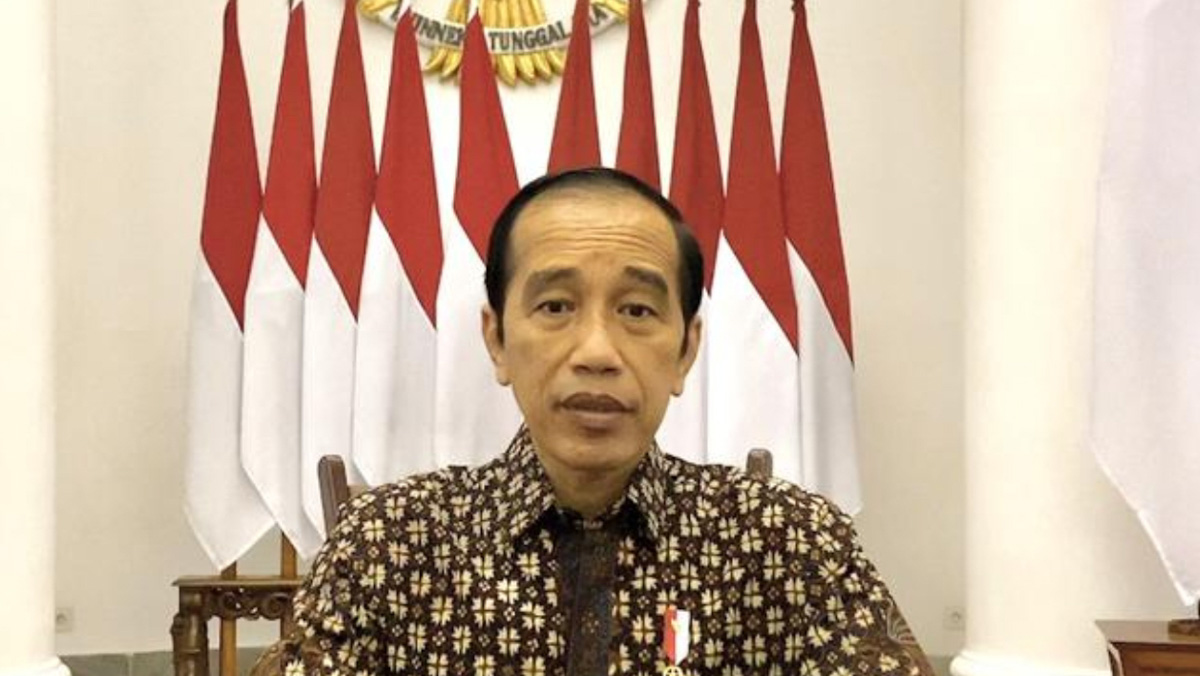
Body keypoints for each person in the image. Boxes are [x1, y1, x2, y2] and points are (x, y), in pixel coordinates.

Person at [277, 168, 934, 676]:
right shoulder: (389, 543)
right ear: (497, 340)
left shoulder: (788, 542)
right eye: (556, 306)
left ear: (686, 349)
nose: (596, 351)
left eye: (637, 311)